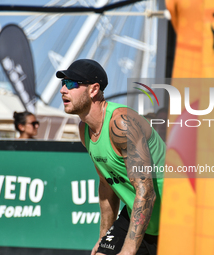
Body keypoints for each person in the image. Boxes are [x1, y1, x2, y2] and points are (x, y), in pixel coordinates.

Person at [57, 59, 166, 255]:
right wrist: (104, 237)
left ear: (93, 90)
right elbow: (107, 185)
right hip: (138, 216)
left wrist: (128, 251)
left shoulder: (122, 124)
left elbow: (147, 193)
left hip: (175, 219)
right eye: (62, 84)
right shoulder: (85, 130)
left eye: (71, 84)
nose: (63, 90)